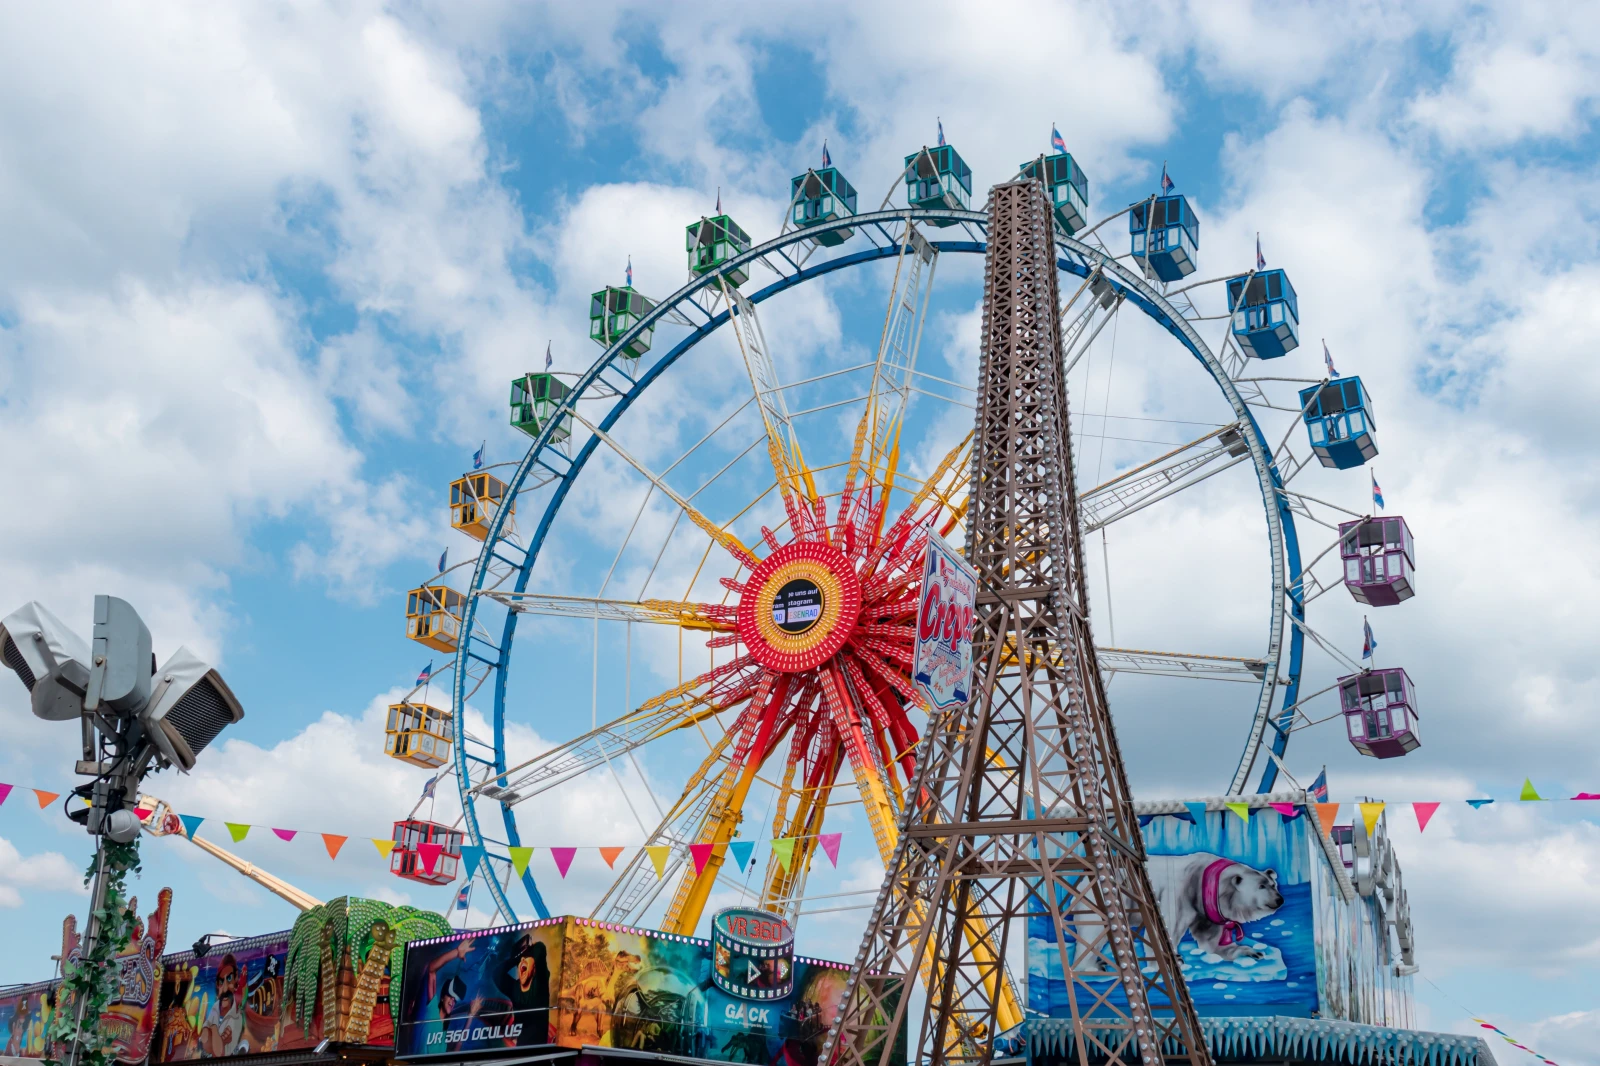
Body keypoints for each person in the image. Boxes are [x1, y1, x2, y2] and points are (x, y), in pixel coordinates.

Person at [486, 934, 550, 1046]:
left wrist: (528, 949)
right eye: (520, 960)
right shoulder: (514, 989)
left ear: (535, 967)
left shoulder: (540, 985)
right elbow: (497, 974)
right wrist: (515, 958)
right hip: (521, 1048)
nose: (523, 961)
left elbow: (540, 948)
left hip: (539, 1051)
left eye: (527, 958)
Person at [199, 955, 249, 1057]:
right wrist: (218, 1038)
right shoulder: (215, 1007)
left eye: (229, 978)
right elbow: (204, 1038)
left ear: (235, 979)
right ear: (217, 985)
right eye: (221, 982)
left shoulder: (236, 1018)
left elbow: (220, 1053)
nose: (225, 989)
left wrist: (212, 1030)